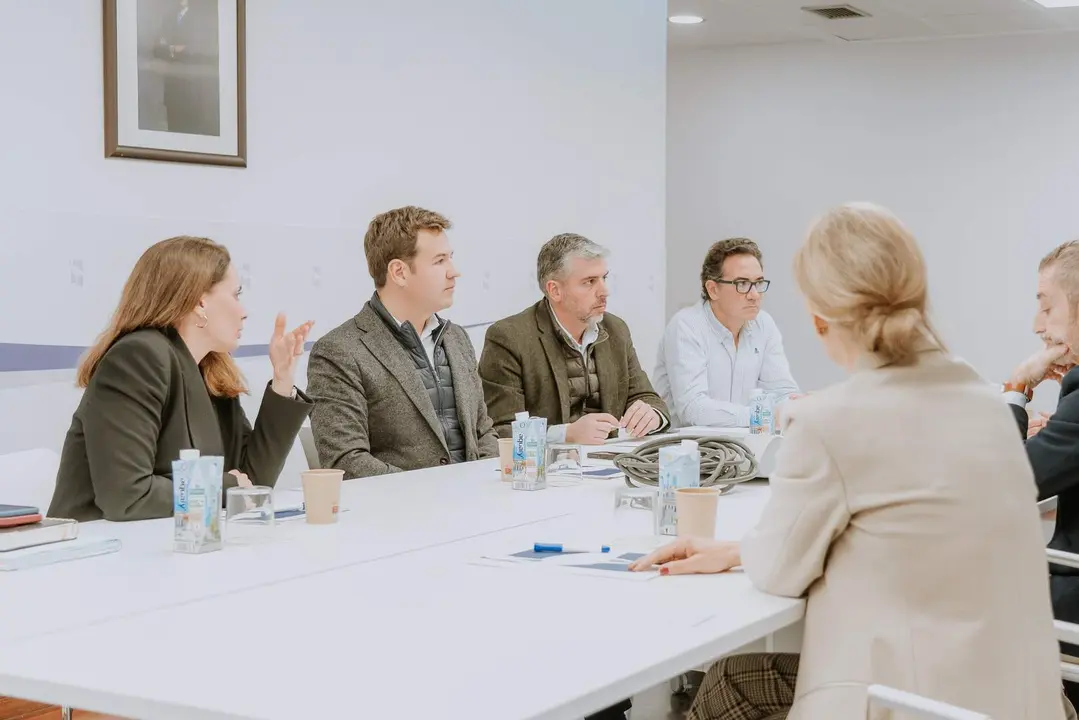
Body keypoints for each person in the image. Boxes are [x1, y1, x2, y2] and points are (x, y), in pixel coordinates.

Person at [631, 203, 1071, 720]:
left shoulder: (828, 423)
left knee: (730, 682)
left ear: (822, 316)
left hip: (918, 704)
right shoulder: (987, 403)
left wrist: (738, 552)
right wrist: (735, 550)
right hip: (1031, 699)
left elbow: (779, 571)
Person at [49, 236, 314, 522]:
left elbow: (252, 481)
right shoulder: (137, 357)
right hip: (98, 544)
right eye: (235, 295)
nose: (244, 312)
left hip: (171, 541)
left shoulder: (210, 368)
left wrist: (282, 380)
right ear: (200, 302)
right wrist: (225, 486)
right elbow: (127, 496)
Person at [306, 206, 498, 477]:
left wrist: (487, 480)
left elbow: (483, 431)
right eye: (439, 261)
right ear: (399, 272)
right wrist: (433, 492)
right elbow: (346, 461)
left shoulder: (457, 338)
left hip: (477, 497)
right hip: (401, 503)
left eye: (450, 258)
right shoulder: (339, 351)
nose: (454, 272)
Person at [479, 233, 669, 445]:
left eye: (604, 278)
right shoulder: (509, 338)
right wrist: (566, 434)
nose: (604, 291)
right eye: (589, 282)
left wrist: (652, 416)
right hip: (548, 464)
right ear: (555, 290)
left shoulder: (616, 329)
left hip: (610, 458)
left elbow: (649, 398)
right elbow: (500, 429)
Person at [1001, 239, 1079, 705]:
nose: (1037, 325)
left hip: (1068, 621)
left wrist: (1017, 388)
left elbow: (1002, 485)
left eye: (1047, 308)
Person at [654, 238, 798, 428]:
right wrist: (762, 416)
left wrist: (797, 406)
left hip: (744, 443)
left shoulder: (763, 324)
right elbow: (693, 409)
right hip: (690, 444)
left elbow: (781, 391)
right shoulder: (686, 326)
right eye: (742, 284)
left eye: (758, 283)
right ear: (713, 289)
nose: (754, 295)